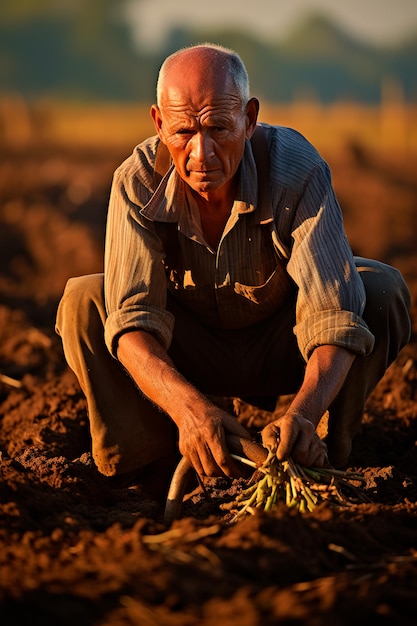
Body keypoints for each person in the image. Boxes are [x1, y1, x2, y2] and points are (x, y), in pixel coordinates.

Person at [56, 43, 411, 500]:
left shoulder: (295, 169)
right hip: (189, 350)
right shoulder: (137, 181)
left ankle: (319, 450)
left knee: (380, 289)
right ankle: (144, 469)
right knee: (86, 300)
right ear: (158, 123)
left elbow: (333, 312)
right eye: (183, 131)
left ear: (250, 119)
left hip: (283, 344)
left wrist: (303, 412)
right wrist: (189, 411)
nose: (201, 153)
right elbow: (133, 319)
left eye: (218, 128)